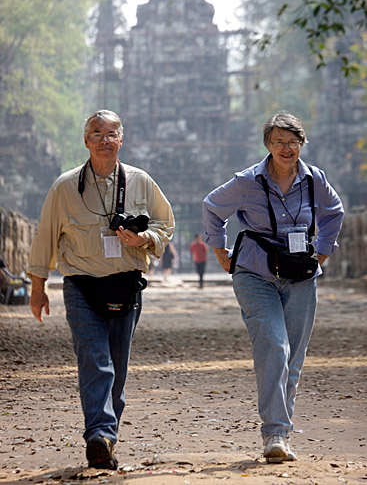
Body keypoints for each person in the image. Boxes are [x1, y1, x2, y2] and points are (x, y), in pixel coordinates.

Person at [28, 110, 174, 470]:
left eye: (111, 134)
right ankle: (99, 433)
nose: (104, 140)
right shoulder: (64, 187)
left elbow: (165, 223)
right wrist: (37, 286)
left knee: (117, 370)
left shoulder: (140, 182)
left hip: (126, 285)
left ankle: (106, 438)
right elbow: (45, 236)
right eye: (97, 133)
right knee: (95, 360)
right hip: (80, 285)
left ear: (121, 139)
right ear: (86, 140)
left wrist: (145, 237)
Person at [202, 112, 344, 463]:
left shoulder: (314, 180)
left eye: (293, 141)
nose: (287, 148)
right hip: (255, 272)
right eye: (279, 141)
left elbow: (334, 212)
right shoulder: (248, 181)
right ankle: (275, 435)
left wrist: (324, 250)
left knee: (293, 359)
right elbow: (212, 207)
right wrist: (220, 249)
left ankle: (283, 429)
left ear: (301, 144)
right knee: (275, 346)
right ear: (268, 145)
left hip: (301, 276)